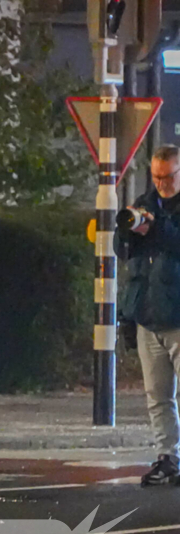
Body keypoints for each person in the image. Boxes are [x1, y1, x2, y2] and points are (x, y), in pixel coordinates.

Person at [116, 145, 180, 486]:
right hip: (149, 315)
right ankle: (167, 457)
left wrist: (156, 229)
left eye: (168, 176)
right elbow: (123, 254)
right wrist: (128, 230)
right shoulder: (145, 204)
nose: (163, 184)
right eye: (157, 177)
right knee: (158, 395)